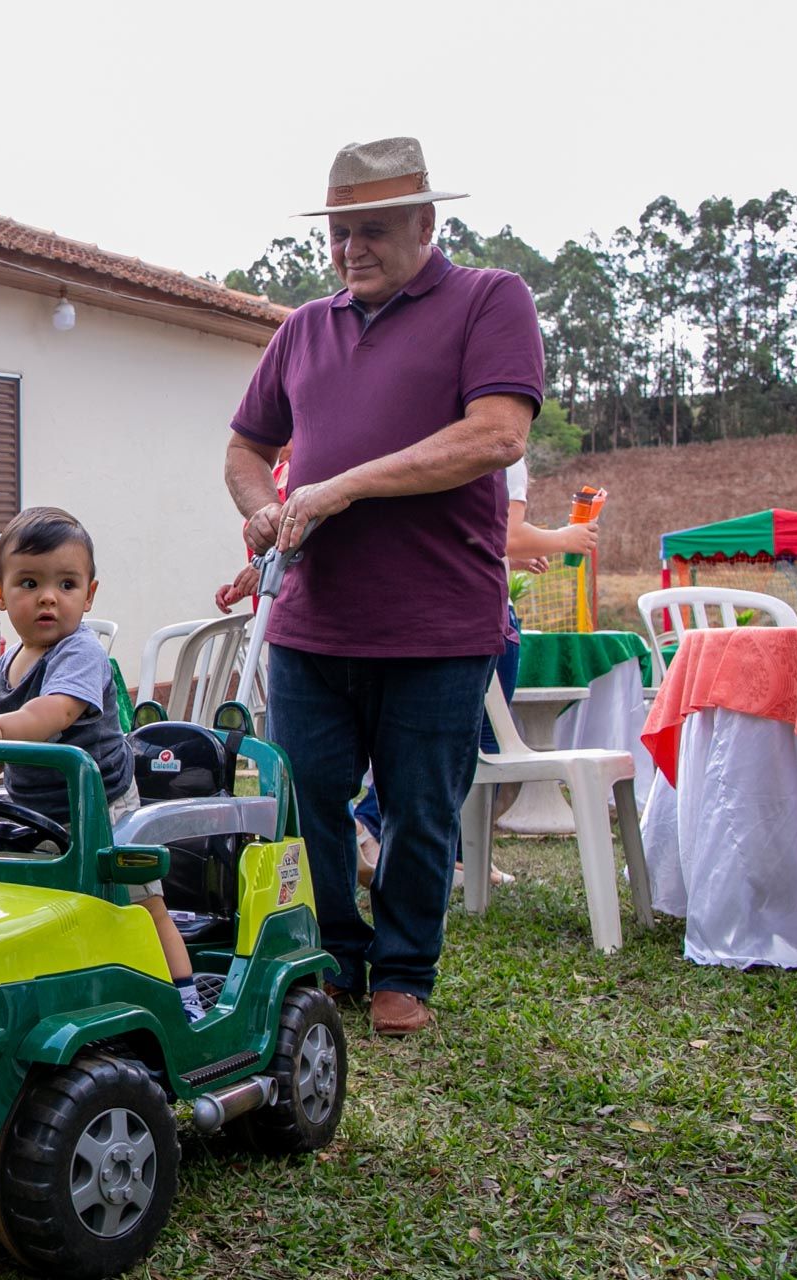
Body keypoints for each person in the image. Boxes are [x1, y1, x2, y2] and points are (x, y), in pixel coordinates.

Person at [224, 137, 544, 1036]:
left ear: (426, 223)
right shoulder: (303, 329)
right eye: (339, 232)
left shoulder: (489, 300)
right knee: (309, 799)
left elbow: (496, 436)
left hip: (438, 623)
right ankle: (335, 956)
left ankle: (406, 970)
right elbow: (248, 447)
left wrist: (347, 483)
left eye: (372, 229)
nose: (351, 248)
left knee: (418, 806)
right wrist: (260, 508)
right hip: (310, 622)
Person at [0, 507, 206, 1022]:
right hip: (40, 809)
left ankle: (185, 998)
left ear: (89, 595)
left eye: (67, 584)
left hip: (106, 806)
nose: (48, 597)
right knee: (47, 903)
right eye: (29, 583)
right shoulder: (1, 673)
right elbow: (3, 750)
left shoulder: (81, 653)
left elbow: (52, 714)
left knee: (142, 903)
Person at [349, 458, 601, 886]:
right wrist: (566, 537)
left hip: (441, 610)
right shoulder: (507, 457)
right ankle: (374, 827)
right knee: (473, 746)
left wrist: (512, 557)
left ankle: (460, 854)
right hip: (484, 617)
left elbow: (479, 536)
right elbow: (509, 534)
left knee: (462, 746)